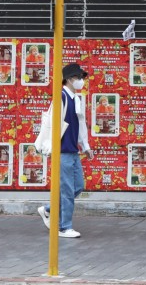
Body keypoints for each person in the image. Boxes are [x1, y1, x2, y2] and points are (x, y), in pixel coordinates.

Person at [36, 63, 94, 239]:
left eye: (82, 78)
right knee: (67, 190)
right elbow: (51, 124)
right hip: (62, 151)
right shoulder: (60, 97)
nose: (81, 81)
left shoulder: (76, 99)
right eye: (78, 78)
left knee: (78, 186)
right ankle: (64, 227)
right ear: (69, 79)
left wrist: (86, 146)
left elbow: (81, 124)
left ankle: (48, 210)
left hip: (73, 151)